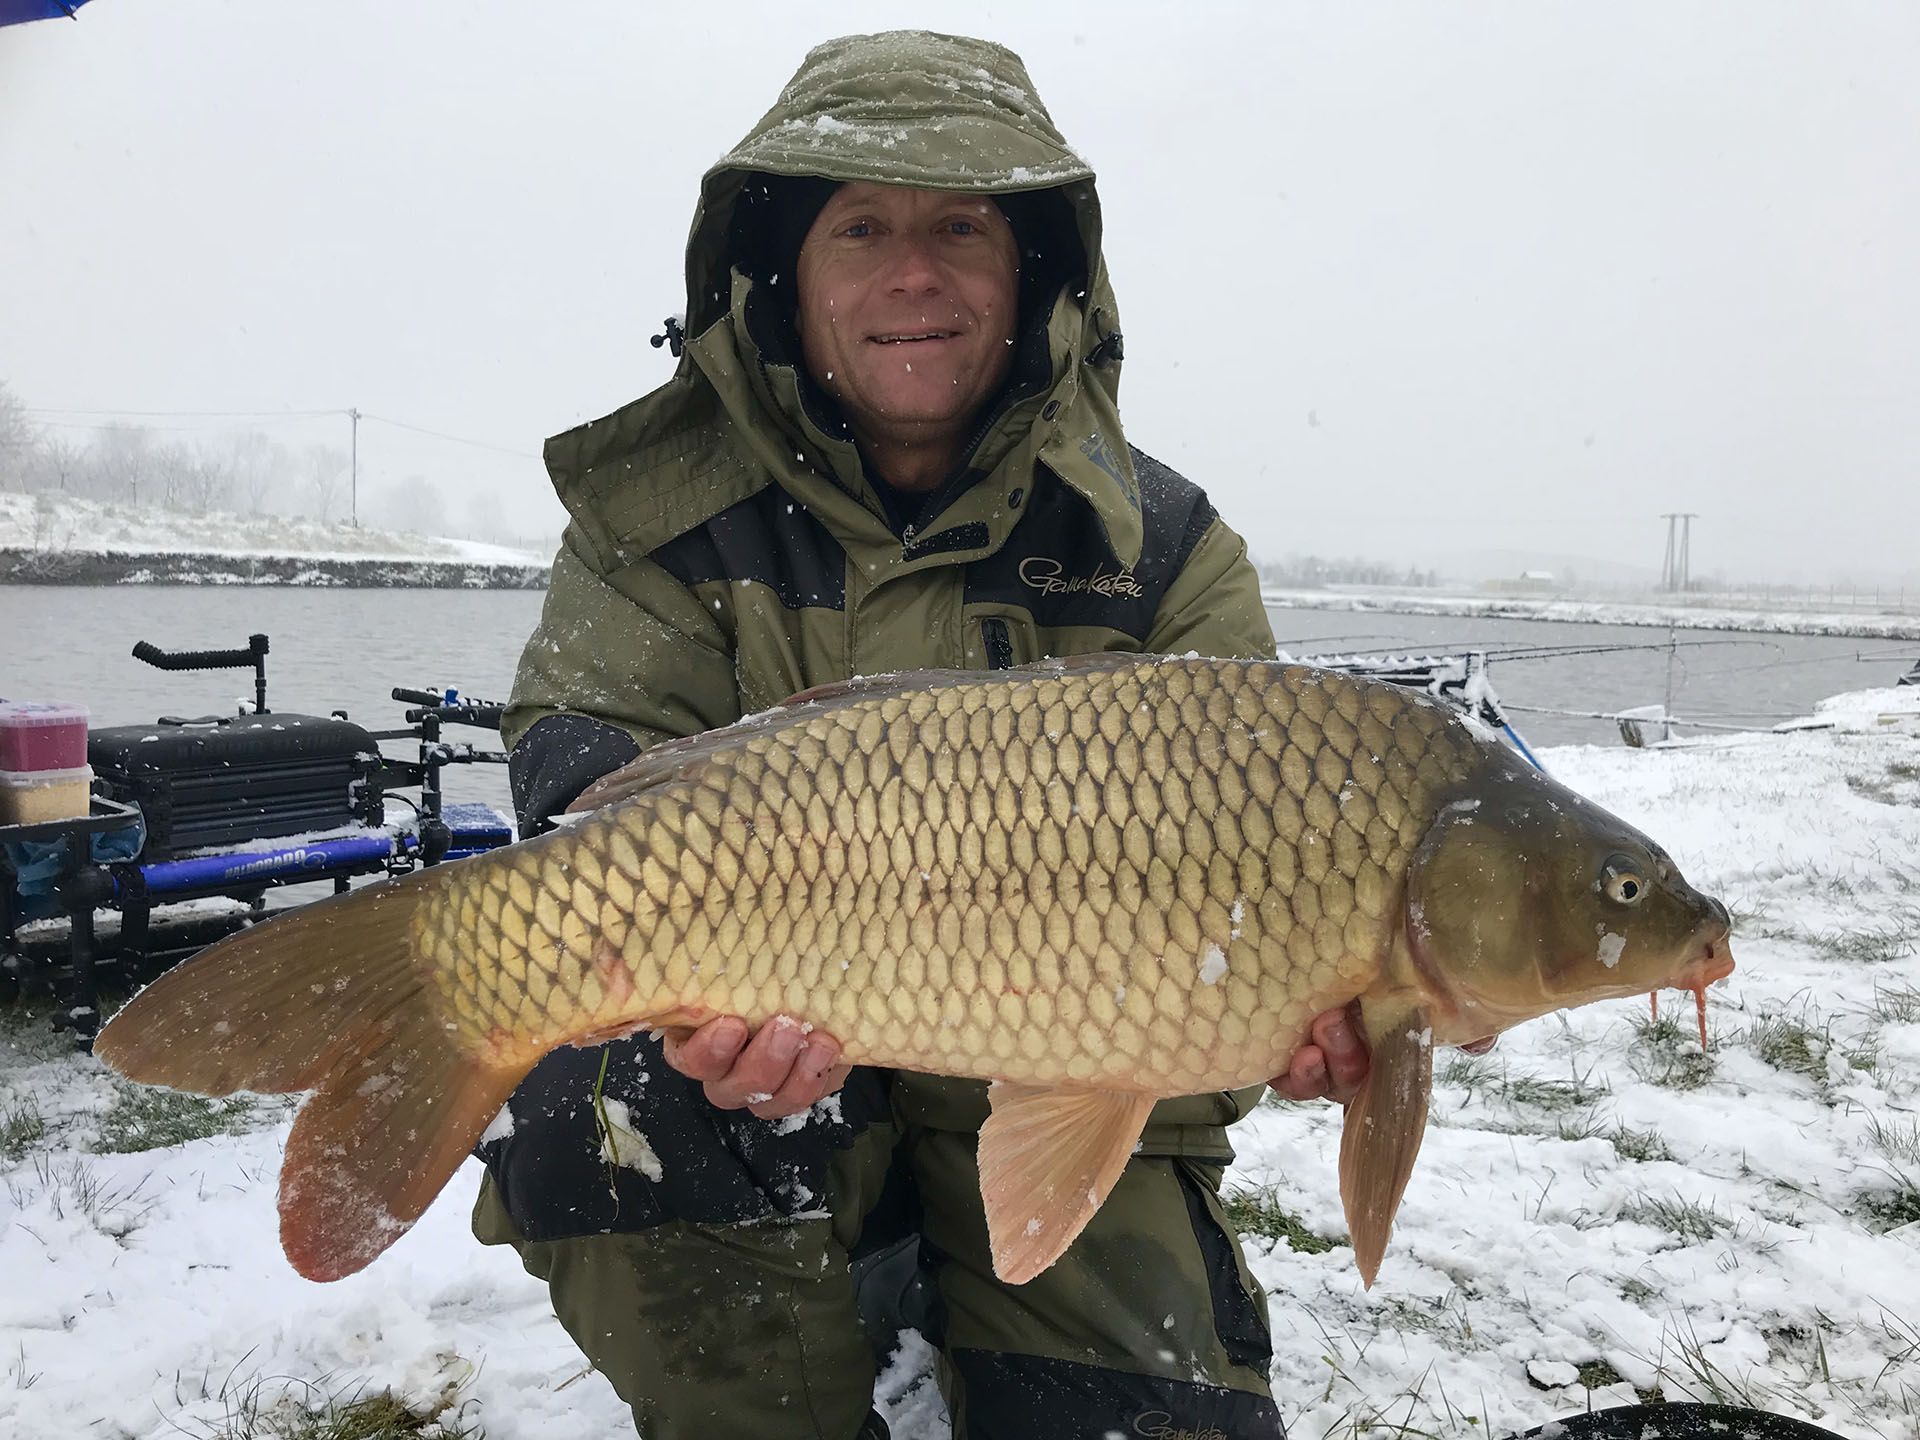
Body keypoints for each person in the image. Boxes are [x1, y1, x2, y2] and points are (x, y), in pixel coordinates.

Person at [475, 29, 1375, 1440]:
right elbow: (588, 754)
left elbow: (1258, 868)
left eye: (963, 226)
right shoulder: (655, 513)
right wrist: (688, 989)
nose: (914, 272)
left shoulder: (1167, 547)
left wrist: (1302, 1001)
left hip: (1069, 1073)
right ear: (784, 269)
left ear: (1037, 269)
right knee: (603, 1092)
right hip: (764, 1064)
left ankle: (958, 1279)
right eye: (864, 228)